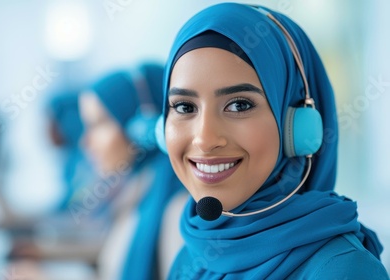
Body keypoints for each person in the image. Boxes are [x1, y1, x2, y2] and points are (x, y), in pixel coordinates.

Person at [155, 3, 389, 279]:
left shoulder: (341, 269)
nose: (205, 140)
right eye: (184, 107)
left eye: (239, 105)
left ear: (297, 125)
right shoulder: (191, 257)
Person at [79, 62, 185, 279]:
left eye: (98, 124)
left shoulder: (178, 210)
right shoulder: (141, 191)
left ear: (141, 126)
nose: (86, 142)